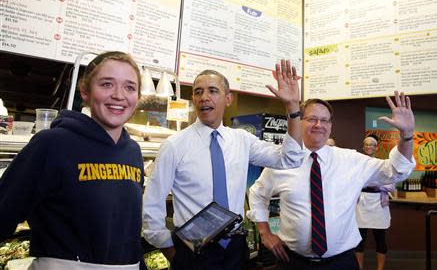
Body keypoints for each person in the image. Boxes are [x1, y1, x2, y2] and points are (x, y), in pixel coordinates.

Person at [142, 60, 304, 270]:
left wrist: (292, 106)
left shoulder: (242, 140)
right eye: (198, 92)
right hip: (192, 250)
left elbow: (290, 159)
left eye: (212, 91)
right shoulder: (174, 145)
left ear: (228, 99)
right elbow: (152, 205)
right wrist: (174, 255)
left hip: (235, 248)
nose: (204, 97)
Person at [0, 51, 144, 269]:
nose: (118, 95)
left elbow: (128, 231)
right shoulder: (51, 144)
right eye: (106, 84)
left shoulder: (133, 151)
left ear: (138, 97)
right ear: (85, 91)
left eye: (129, 87)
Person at [248, 92, 416, 269]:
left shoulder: (351, 161)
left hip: (342, 263)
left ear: (330, 126)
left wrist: (406, 135)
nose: (319, 125)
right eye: (312, 119)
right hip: (294, 262)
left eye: (325, 120)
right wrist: (265, 233)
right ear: (299, 122)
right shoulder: (282, 161)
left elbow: (396, 170)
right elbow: (257, 194)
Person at [355, 134, 395, 270]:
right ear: (363, 147)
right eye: (366, 144)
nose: (368, 146)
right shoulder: (357, 164)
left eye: (371, 144)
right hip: (362, 204)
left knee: (380, 239)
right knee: (360, 239)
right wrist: (375, 182)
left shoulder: (382, 165)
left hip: (379, 204)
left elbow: (391, 185)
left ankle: (380, 268)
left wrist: (373, 184)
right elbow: (353, 183)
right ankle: (359, 267)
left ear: (376, 147)